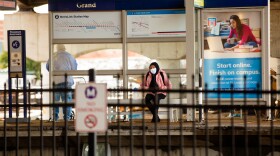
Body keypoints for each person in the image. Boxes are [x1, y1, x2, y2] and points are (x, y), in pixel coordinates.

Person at [46, 44, 77, 121]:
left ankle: (55, 118)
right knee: (67, 101)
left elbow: (48, 67)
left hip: (56, 81)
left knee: (56, 101)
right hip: (67, 82)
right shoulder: (69, 56)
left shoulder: (53, 56)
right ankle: (66, 119)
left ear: (57, 48)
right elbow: (74, 68)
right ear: (64, 48)